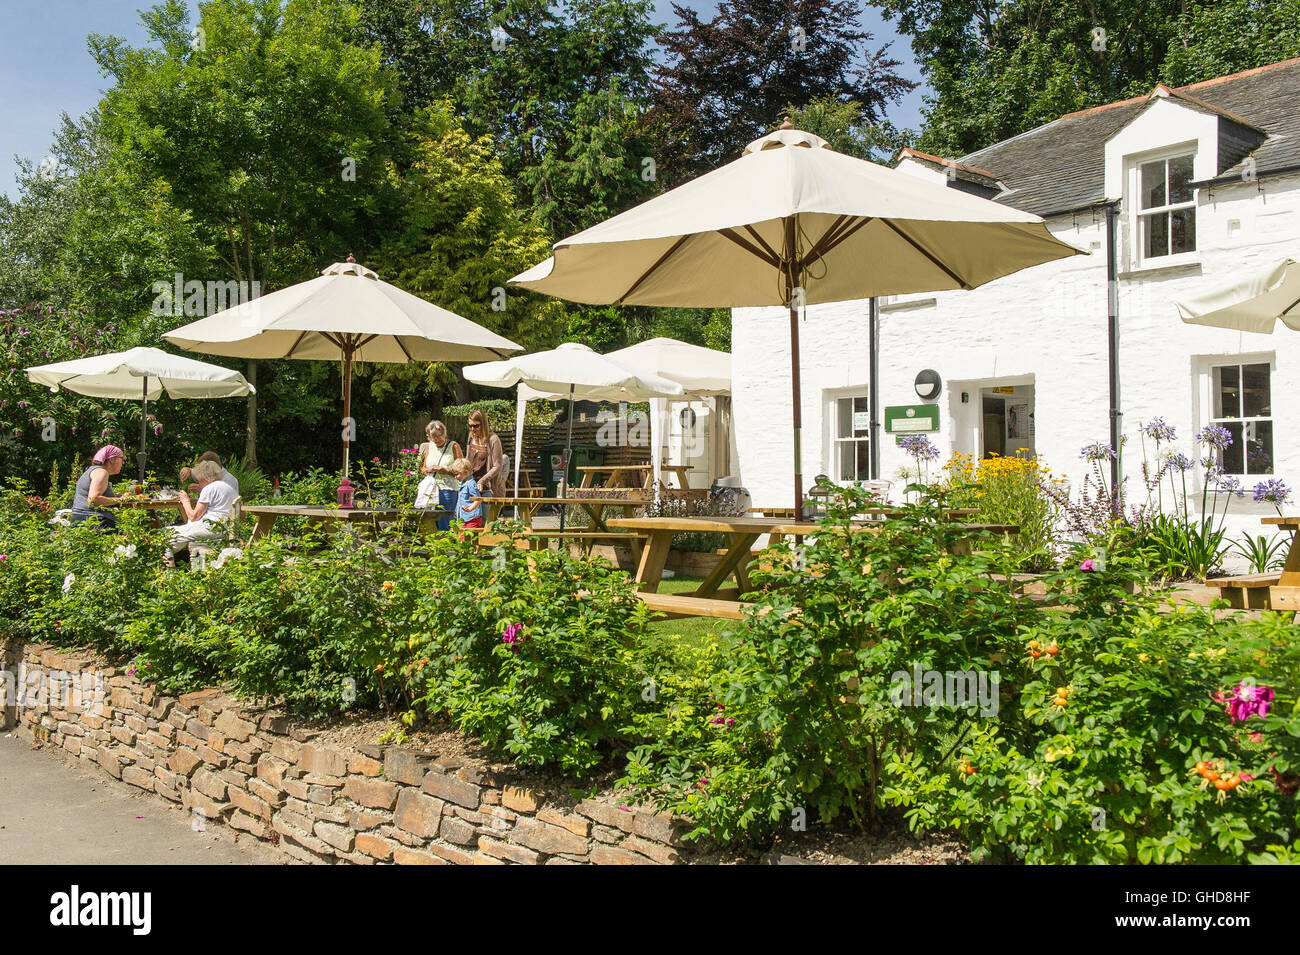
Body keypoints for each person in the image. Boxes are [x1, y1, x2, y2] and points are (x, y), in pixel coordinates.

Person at [168, 459, 239, 561]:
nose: (198, 483)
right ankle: (179, 565)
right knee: (180, 537)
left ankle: (169, 572)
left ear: (205, 478)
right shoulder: (229, 488)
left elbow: (193, 517)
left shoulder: (209, 488)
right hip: (224, 530)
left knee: (165, 535)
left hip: (210, 529)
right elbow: (242, 515)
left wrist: (185, 501)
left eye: (199, 480)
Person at [414, 420, 461, 531]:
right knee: (429, 520)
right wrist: (428, 470)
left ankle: (447, 546)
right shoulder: (429, 447)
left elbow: (462, 468)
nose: (436, 440)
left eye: (439, 436)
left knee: (445, 521)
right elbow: (423, 469)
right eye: (433, 437)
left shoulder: (453, 446)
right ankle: (434, 546)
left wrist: (445, 470)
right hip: (431, 489)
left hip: (448, 489)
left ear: (444, 433)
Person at [69, 445, 124, 530]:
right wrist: (122, 500)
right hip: (94, 522)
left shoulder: (92, 470)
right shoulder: (101, 472)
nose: (123, 462)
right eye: (121, 458)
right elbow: (93, 499)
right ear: (111, 460)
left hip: (80, 520)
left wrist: (115, 496)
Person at [466, 408, 505, 499]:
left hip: (488, 488)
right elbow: (467, 460)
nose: (473, 429)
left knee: (487, 513)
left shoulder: (493, 439)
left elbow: (497, 466)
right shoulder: (471, 438)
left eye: (476, 426)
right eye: (470, 426)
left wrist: (482, 481)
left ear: (483, 425)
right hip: (471, 486)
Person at [450, 458, 483, 529]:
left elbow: (478, 499)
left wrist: (469, 509)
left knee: (468, 538)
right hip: (463, 518)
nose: (455, 477)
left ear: (466, 472)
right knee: (461, 538)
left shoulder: (471, 484)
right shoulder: (463, 483)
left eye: (457, 474)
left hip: (471, 518)